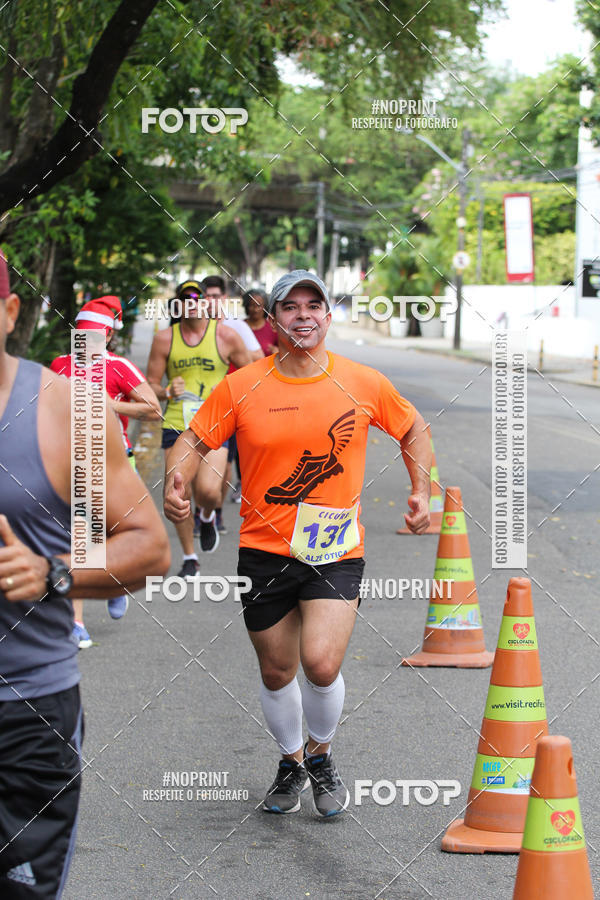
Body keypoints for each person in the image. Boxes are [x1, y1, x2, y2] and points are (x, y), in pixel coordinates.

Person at [164, 269, 431, 817]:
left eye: (315, 305)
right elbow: (193, 439)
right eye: (291, 307)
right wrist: (175, 477)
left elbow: (413, 429)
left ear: (328, 316)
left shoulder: (362, 381)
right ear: (275, 318)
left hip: (334, 549)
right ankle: (290, 763)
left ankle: (321, 755)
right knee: (276, 671)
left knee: (321, 665)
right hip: (263, 551)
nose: (303, 314)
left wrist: (420, 489)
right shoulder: (244, 385)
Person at [0, 250, 170, 897]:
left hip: (25, 711)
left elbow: (147, 547)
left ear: (11, 312)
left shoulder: (65, 409)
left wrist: (52, 573)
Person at [50, 296, 161, 648]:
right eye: (82, 334)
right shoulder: (60, 366)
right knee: (79, 540)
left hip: (114, 463)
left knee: (108, 538)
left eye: (95, 335)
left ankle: (115, 581)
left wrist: (109, 403)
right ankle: (76, 623)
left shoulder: (119, 368)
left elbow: (153, 410)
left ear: (109, 336)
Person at [146, 278, 250, 579]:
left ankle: (207, 516)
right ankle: (190, 557)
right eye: (184, 298)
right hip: (177, 423)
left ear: (206, 301)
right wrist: (166, 391)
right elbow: (151, 383)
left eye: (196, 297)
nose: (191, 302)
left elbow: (250, 377)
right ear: (177, 305)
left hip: (216, 424)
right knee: (179, 493)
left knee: (208, 490)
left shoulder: (226, 336)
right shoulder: (165, 338)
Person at [202, 275, 263, 533]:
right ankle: (202, 510)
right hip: (196, 405)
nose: (212, 301)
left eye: (216, 296)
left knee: (224, 463)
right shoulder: (190, 327)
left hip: (232, 405)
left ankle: (213, 512)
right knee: (197, 463)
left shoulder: (238, 327)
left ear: (225, 298)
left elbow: (258, 359)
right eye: (207, 296)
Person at [242, 288, 278, 356]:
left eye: (259, 305)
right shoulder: (239, 327)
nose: (255, 310)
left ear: (265, 306)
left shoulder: (273, 328)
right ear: (246, 306)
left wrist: (277, 353)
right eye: (252, 305)